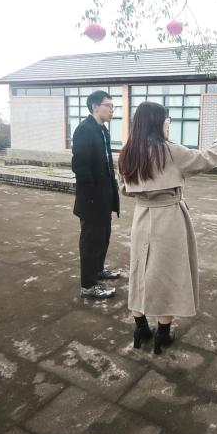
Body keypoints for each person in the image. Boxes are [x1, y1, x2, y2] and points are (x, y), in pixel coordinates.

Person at [118, 101, 217, 355]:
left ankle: (141, 328)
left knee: (139, 271)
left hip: (141, 217)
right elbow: (205, 159)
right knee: (168, 274)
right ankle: (163, 333)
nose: (168, 125)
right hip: (169, 217)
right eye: (166, 120)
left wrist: (145, 195)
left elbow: (123, 188)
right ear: (158, 122)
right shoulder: (169, 151)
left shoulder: (127, 152)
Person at [71, 90, 121, 300]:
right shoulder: (84, 130)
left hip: (104, 197)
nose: (112, 110)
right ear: (95, 107)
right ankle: (88, 286)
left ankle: (98, 270)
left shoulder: (102, 130)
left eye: (113, 106)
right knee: (91, 242)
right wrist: (92, 198)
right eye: (108, 105)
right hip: (92, 201)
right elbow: (80, 167)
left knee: (102, 238)